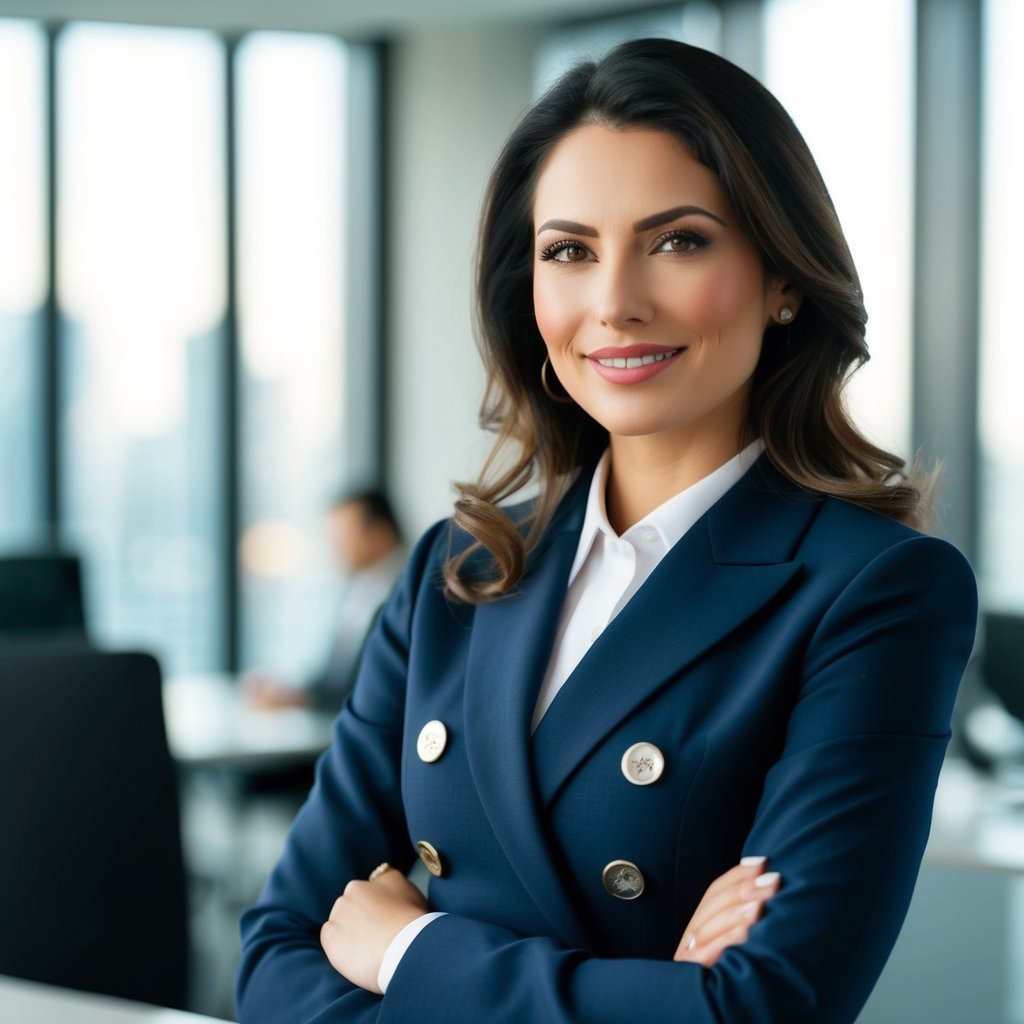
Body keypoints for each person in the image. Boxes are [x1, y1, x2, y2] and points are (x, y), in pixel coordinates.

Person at [236, 39, 977, 1024]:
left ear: (782, 277)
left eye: (678, 240)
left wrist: (406, 946)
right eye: (569, 250)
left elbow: (761, 1011)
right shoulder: (456, 570)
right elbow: (276, 956)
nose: (614, 303)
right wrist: (652, 990)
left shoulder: (877, 590)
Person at [246, 489, 405, 712]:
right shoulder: (359, 588)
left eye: (344, 536)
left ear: (380, 534)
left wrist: (298, 699)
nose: (335, 546)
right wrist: (292, 693)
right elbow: (336, 678)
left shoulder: (406, 595)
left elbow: (374, 690)